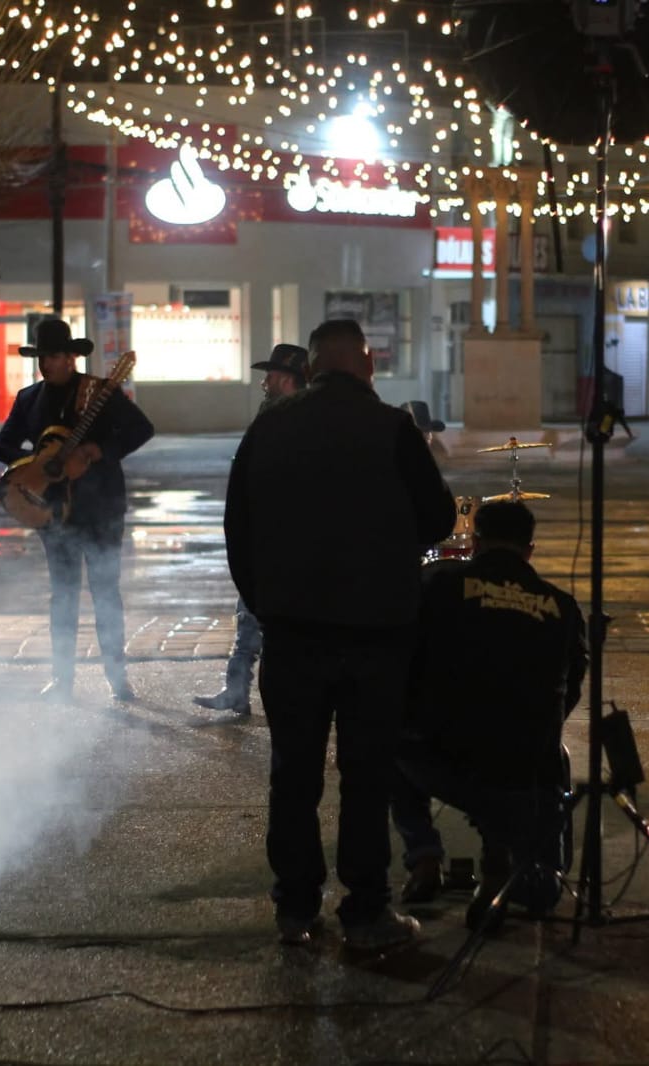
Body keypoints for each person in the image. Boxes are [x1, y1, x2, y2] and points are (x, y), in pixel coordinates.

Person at [224, 317, 455, 950]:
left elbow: (237, 531)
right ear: (369, 364)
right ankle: (366, 912)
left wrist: (268, 604)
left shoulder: (269, 426)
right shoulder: (393, 429)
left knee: (292, 776)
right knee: (366, 776)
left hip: (293, 633)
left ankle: (295, 909)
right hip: (378, 634)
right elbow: (437, 522)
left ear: (314, 365)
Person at [395, 500, 587, 928]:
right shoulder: (563, 607)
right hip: (527, 768)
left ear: (475, 543)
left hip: (444, 758)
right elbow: (568, 691)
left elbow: (404, 662)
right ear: (530, 550)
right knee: (540, 895)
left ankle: (424, 857)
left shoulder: (436, 585)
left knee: (388, 739)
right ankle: (499, 859)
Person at [0, 319, 154, 703]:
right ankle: (61, 680)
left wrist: (99, 451)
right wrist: (36, 462)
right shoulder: (29, 398)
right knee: (63, 595)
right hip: (52, 512)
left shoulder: (100, 392)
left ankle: (117, 678)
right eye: (42, 357)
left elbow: (141, 429)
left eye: (54, 356)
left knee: (105, 593)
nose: (46, 364)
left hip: (101, 509)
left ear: (71, 358)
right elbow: (4, 446)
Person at [194, 343, 309, 714]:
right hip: (266, 531)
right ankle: (237, 688)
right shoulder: (273, 413)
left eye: (270, 375)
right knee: (248, 613)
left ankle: (274, 695)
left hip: (283, 535)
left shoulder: (299, 419)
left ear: (288, 379)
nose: (265, 382)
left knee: (272, 619)